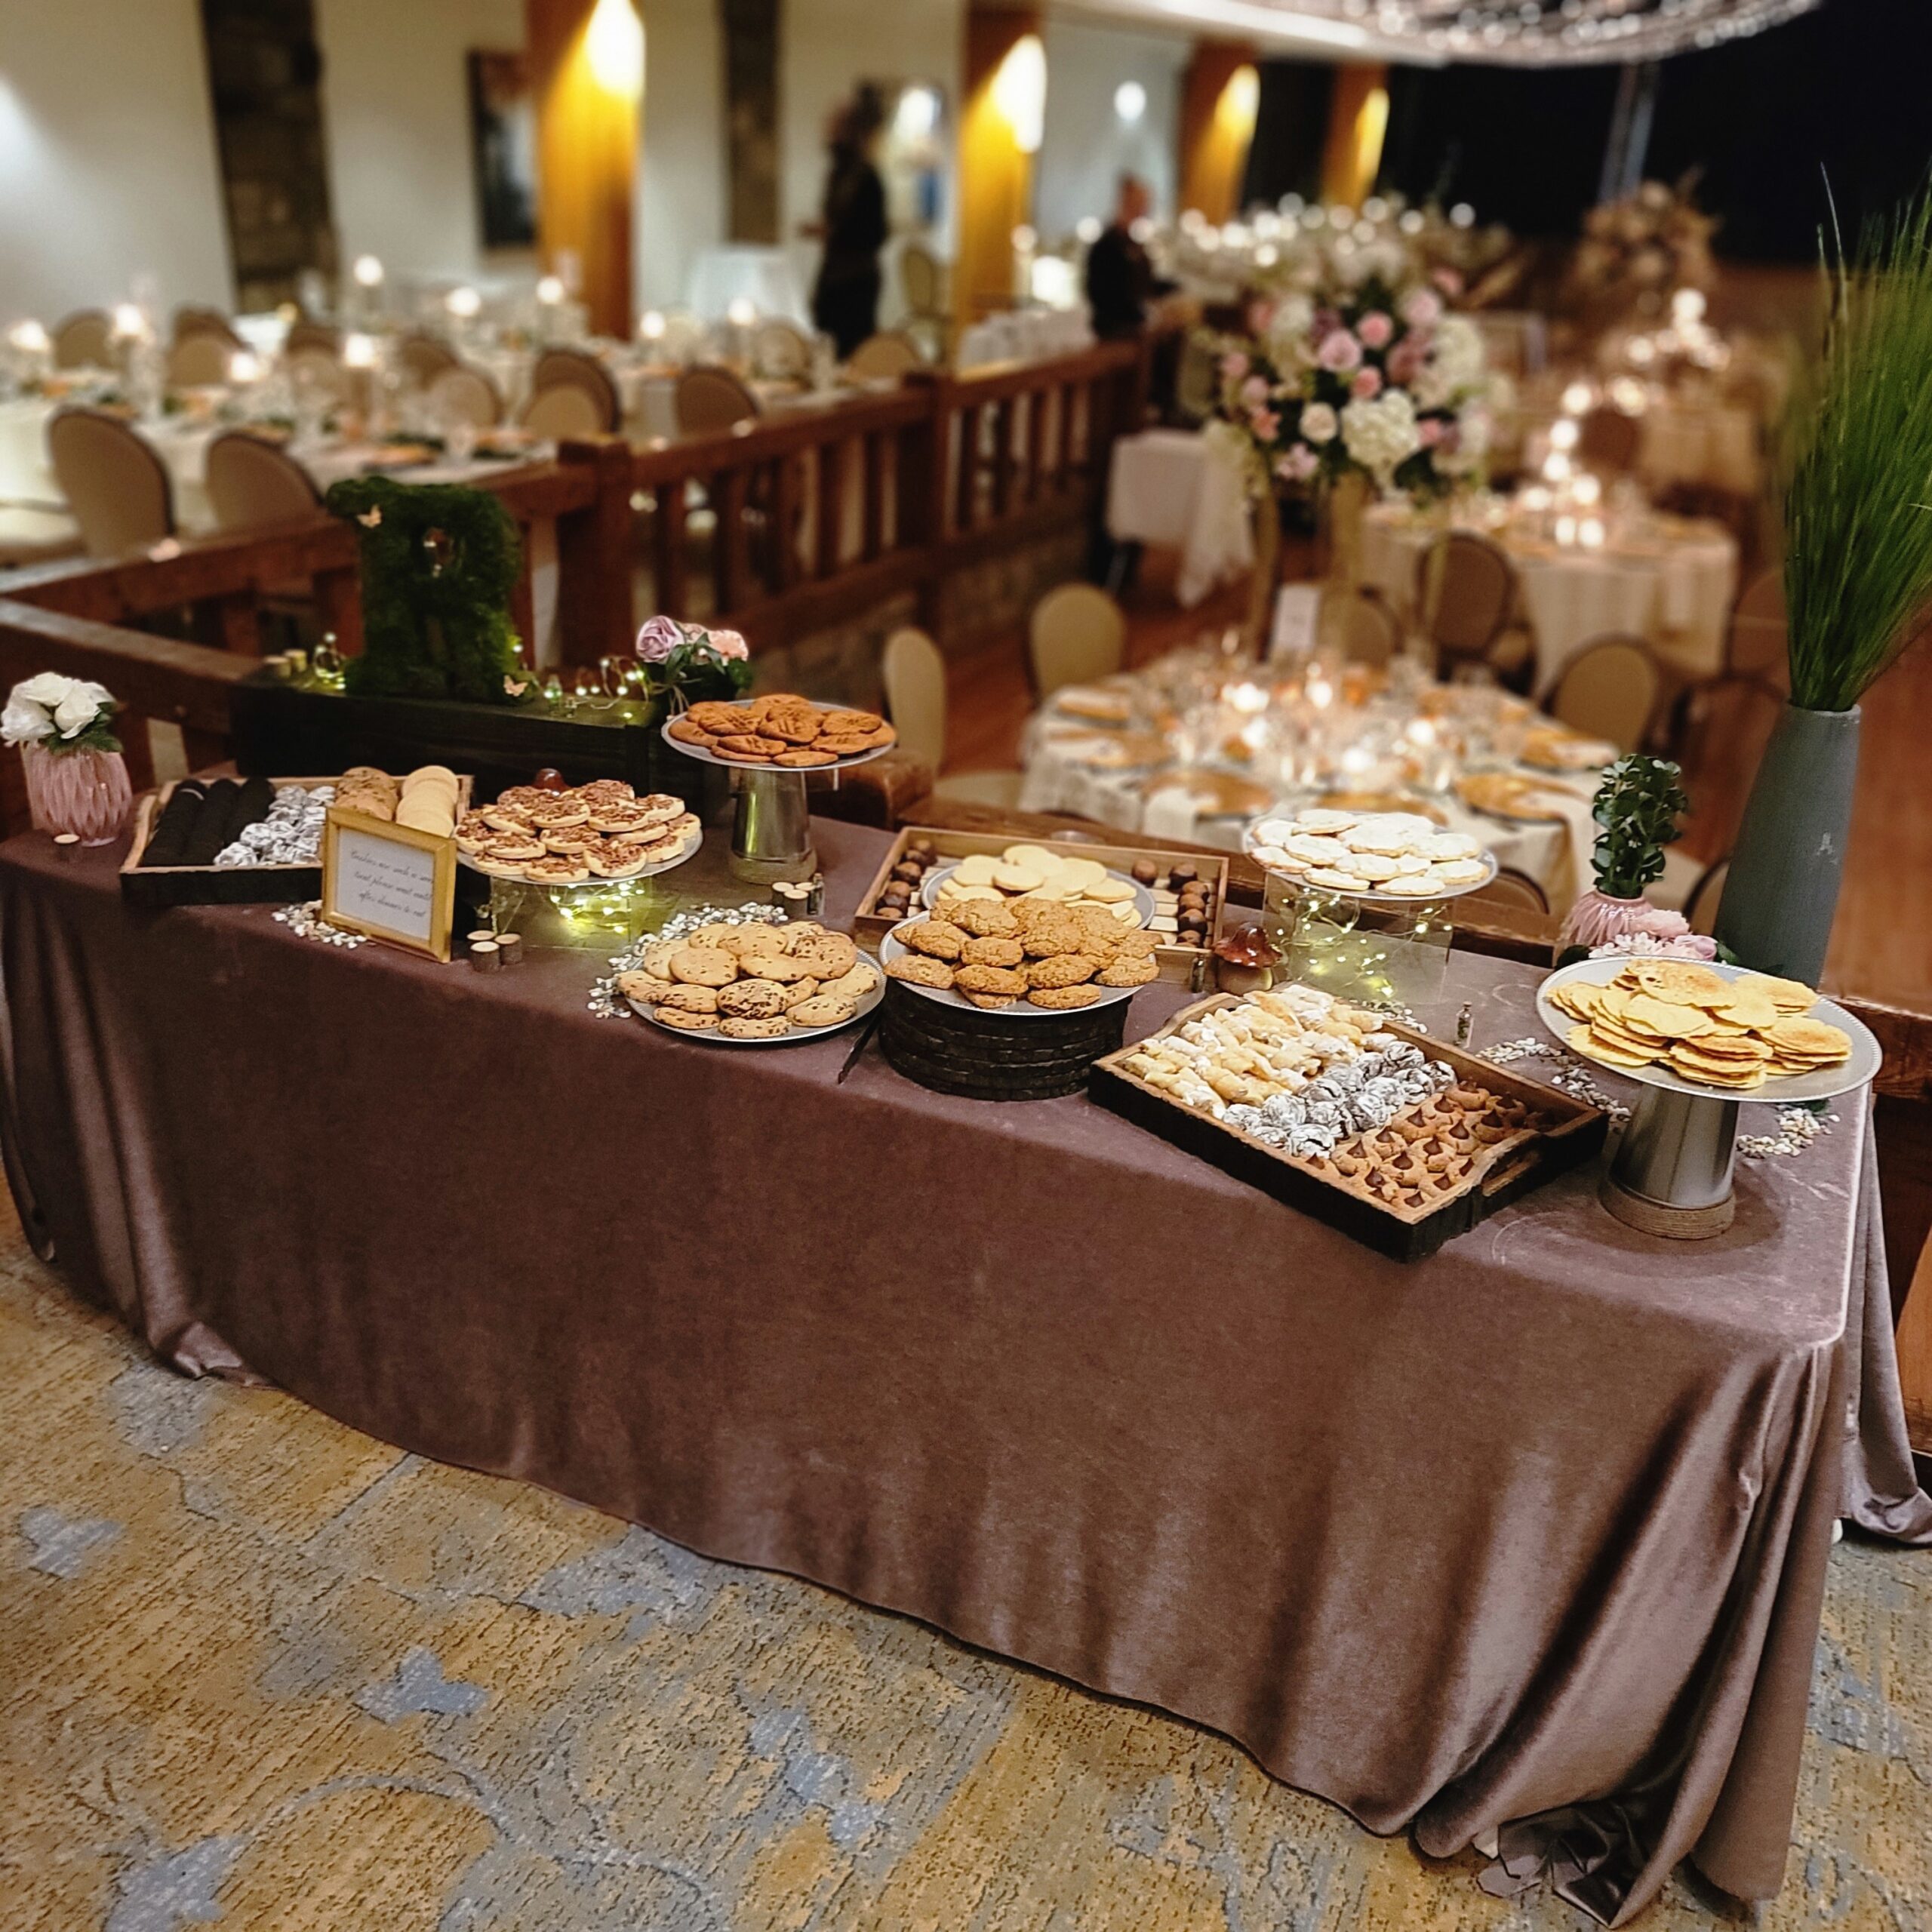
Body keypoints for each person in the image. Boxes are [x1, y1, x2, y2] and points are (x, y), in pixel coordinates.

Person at [808, 88, 889, 359]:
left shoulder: (865, 177)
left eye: (836, 124)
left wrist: (836, 232)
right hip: (835, 277)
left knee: (854, 355)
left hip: (855, 282)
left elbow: (877, 233)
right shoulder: (838, 174)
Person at [1084, 174, 1174, 340]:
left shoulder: (1134, 243)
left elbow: (1145, 284)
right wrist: (1138, 315)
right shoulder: (1106, 245)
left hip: (1134, 328)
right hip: (1114, 332)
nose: (1144, 208)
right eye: (1140, 202)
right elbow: (1100, 294)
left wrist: (1174, 287)